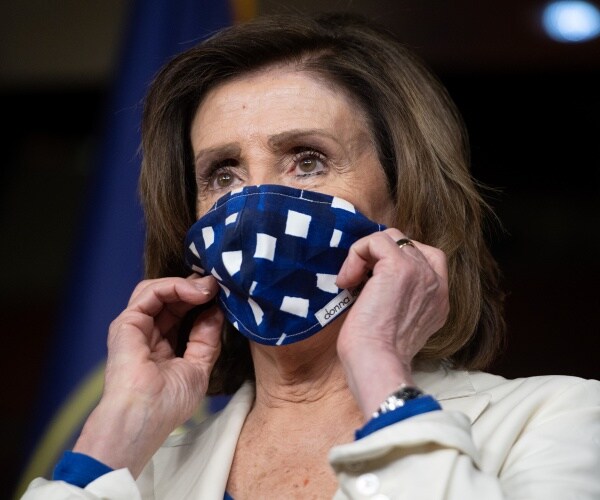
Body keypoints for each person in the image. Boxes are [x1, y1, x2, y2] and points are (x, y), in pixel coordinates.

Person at [23, 12, 599, 500]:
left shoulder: (560, 418)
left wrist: (379, 370)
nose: (254, 204)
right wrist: (113, 438)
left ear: (408, 204)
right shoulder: (138, 476)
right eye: (223, 174)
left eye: (307, 160)